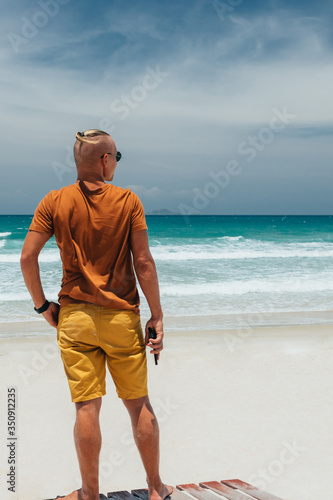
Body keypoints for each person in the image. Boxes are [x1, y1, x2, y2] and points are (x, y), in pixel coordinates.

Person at [20, 129, 173, 500]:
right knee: (138, 404)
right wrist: (157, 315)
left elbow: (27, 257)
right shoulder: (128, 201)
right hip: (121, 317)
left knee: (87, 408)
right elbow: (144, 262)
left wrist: (43, 306)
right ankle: (156, 489)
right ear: (104, 160)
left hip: (75, 320)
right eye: (116, 157)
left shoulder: (53, 201)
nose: (116, 163)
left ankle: (89, 494)